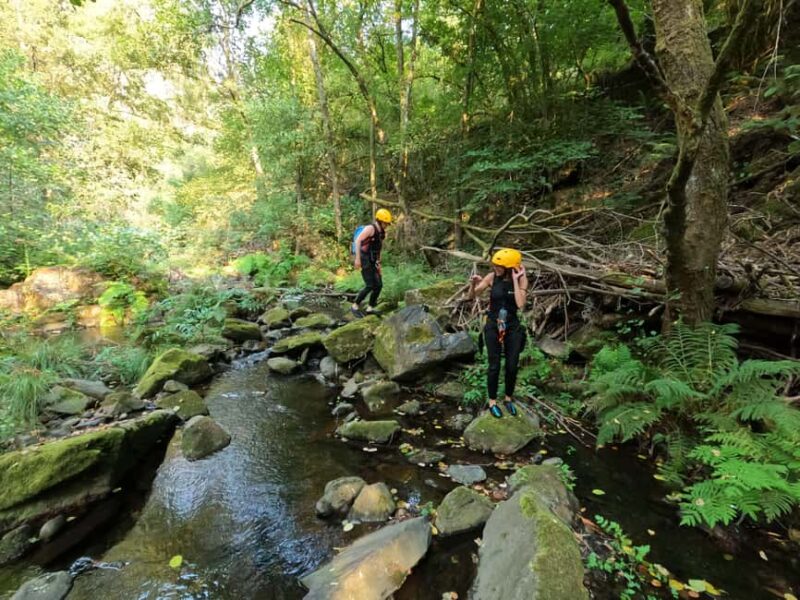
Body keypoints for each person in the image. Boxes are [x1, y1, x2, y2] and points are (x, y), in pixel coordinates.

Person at [469, 248, 529, 418]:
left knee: (512, 365)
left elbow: (519, 304)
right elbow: (472, 296)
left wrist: (516, 281)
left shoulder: (523, 280)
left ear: (510, 267)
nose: (496, 268)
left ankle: (509, 399)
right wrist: (473, 284)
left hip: (512, 326)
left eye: (500, 266)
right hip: (493, 324)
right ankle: (493, 402)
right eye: (495, 264)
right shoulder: (491, 277)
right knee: (494, 365)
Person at [351, 208, 392, 317]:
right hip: (364, 258)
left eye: (387, 224)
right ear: (379, 221)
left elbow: (379, 249)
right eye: (385, 223)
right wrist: (357, 259)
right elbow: (358, 240)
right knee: (370, 285)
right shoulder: (370, 228)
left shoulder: (382, 233)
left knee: (379, 285)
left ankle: (370, 308)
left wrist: (379, 265)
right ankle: (355, 305)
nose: (386, 225)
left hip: (373, 259)